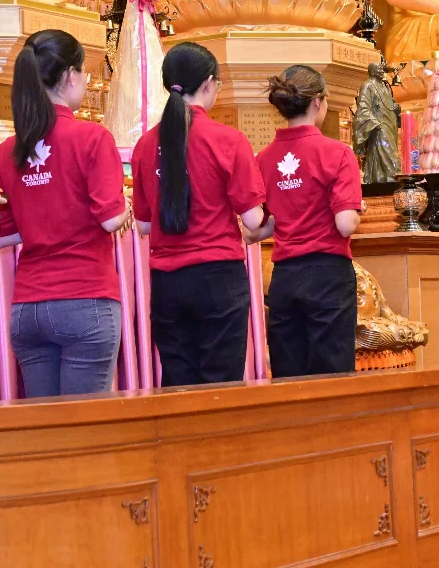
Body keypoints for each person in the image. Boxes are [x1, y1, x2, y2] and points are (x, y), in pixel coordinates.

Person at [0, 30, 130, 398]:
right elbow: (110, 219)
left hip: (28, 308)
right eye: (84, 72)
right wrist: (127, 206)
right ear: (69, 75)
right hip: (85, 298)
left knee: (48, 424)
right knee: (86, 423)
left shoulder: (8, 150)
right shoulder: (91, 137)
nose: (85, 80)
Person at [131, 42, 267, 386]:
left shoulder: (145, 145)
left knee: (179, 385)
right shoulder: (228, 140)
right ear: (208, 83)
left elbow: (144, 224)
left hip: (167, 283)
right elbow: (253, 219)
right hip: (218, 279)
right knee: (221, 385)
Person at [256, 65, 363, 377]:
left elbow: (258, 227)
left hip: (284, 278)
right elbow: (345, 224)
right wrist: (356, 209)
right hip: (327, 275)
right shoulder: (337, 153)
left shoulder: (263, 158)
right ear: (317, 102)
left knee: (290, 376)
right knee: (332, 377)